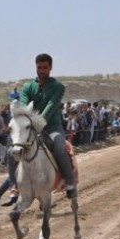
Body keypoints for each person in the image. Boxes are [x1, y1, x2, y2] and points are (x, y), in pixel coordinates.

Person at [19, 53, 77, 198]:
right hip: (32, 128)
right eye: (39, 67)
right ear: (36, 67)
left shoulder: (58, 87)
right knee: (17, 149)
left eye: (45, 67)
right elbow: (24, 104)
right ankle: (14, 186)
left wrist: (37, 122)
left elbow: (51, 106)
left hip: (52, 128)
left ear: (50, 68)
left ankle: (69, 182)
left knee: (59, 146)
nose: (42, 70)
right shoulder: (27, 87)